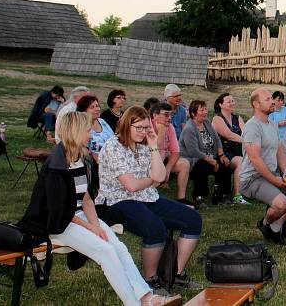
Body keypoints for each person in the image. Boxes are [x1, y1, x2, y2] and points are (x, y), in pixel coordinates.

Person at [19, 111, 181, 306]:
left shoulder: (79, 157)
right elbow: (61, 211)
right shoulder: (57, 165)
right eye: (87, 130)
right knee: (106, 252)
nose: (90, 135)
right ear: (75, 131)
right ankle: (134, 303)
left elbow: (86, 197)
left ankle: (147, 297)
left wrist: (96, 224)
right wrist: (92, 228)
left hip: (76, 215)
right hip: (55, 224)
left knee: (119, 248)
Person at [98, 106, 203, 294]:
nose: (143, 132)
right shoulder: (113, 146)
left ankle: (174, 273)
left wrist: (154, 146)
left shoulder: (145, 145)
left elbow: (161, 176)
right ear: (125, 125)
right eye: (138, 128)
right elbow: (130, 186)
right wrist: (151, 180)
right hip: (118, 201)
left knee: (193, 219)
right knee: (155, 228)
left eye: (146, 128)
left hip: (147, 196)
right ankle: (151, 280)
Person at [240, 88, 286, 244]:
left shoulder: (272, 125)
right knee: (282, 204)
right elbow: (255, 159)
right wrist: (275, 180)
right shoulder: (252, 127)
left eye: (271, 98)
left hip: (271, 175)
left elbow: (280, 151)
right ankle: (264, 223)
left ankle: (275, 224)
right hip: (253, 178)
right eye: (268, 99)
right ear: (256, 104)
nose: (273, 102)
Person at [180, 100, 231, 207]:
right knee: (201, 167)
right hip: (194, 159)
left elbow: (217, 139)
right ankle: (199, 197)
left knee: (225, 164)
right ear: (193, 113)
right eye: (201, 110)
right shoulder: (189, 128)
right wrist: (211, 161)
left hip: (210, 156)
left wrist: (221, 155)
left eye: (205, 109)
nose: (205, 112)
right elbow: (193, 151)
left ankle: (221, 195)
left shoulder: (206, 122)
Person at [148, 102, 190, 205]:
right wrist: (161, 132)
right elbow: (154, 150)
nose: (169, 118)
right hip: (150, 161)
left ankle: (181, 199)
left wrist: (168, 168)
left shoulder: (170, 127)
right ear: (155, 115)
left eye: (171, 115)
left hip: (163, 159)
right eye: (166, 115)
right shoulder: (147, 126)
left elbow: (175, 151)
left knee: (184, 164)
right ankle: (150, 198)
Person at [211, 93, 249, 205]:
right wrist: (247, 142)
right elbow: (229, 135)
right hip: (223, 153)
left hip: (238, 151)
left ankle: (249, 191)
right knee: (241, 162)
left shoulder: (238, 118)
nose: (232, 103)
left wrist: (248, 141)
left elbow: (245, 133)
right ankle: (237, 195)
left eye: (233, 100)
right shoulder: (217, 119)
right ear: (220, 104)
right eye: (229, 101)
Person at [77, 94, 116, 160]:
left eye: (97, 106)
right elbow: (91, 147)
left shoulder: (102, 121)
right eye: (92, 107)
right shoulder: (82, 127)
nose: (97, 109)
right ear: (84, 111)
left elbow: (113, 137)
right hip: (97, 159)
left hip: (113, 154)